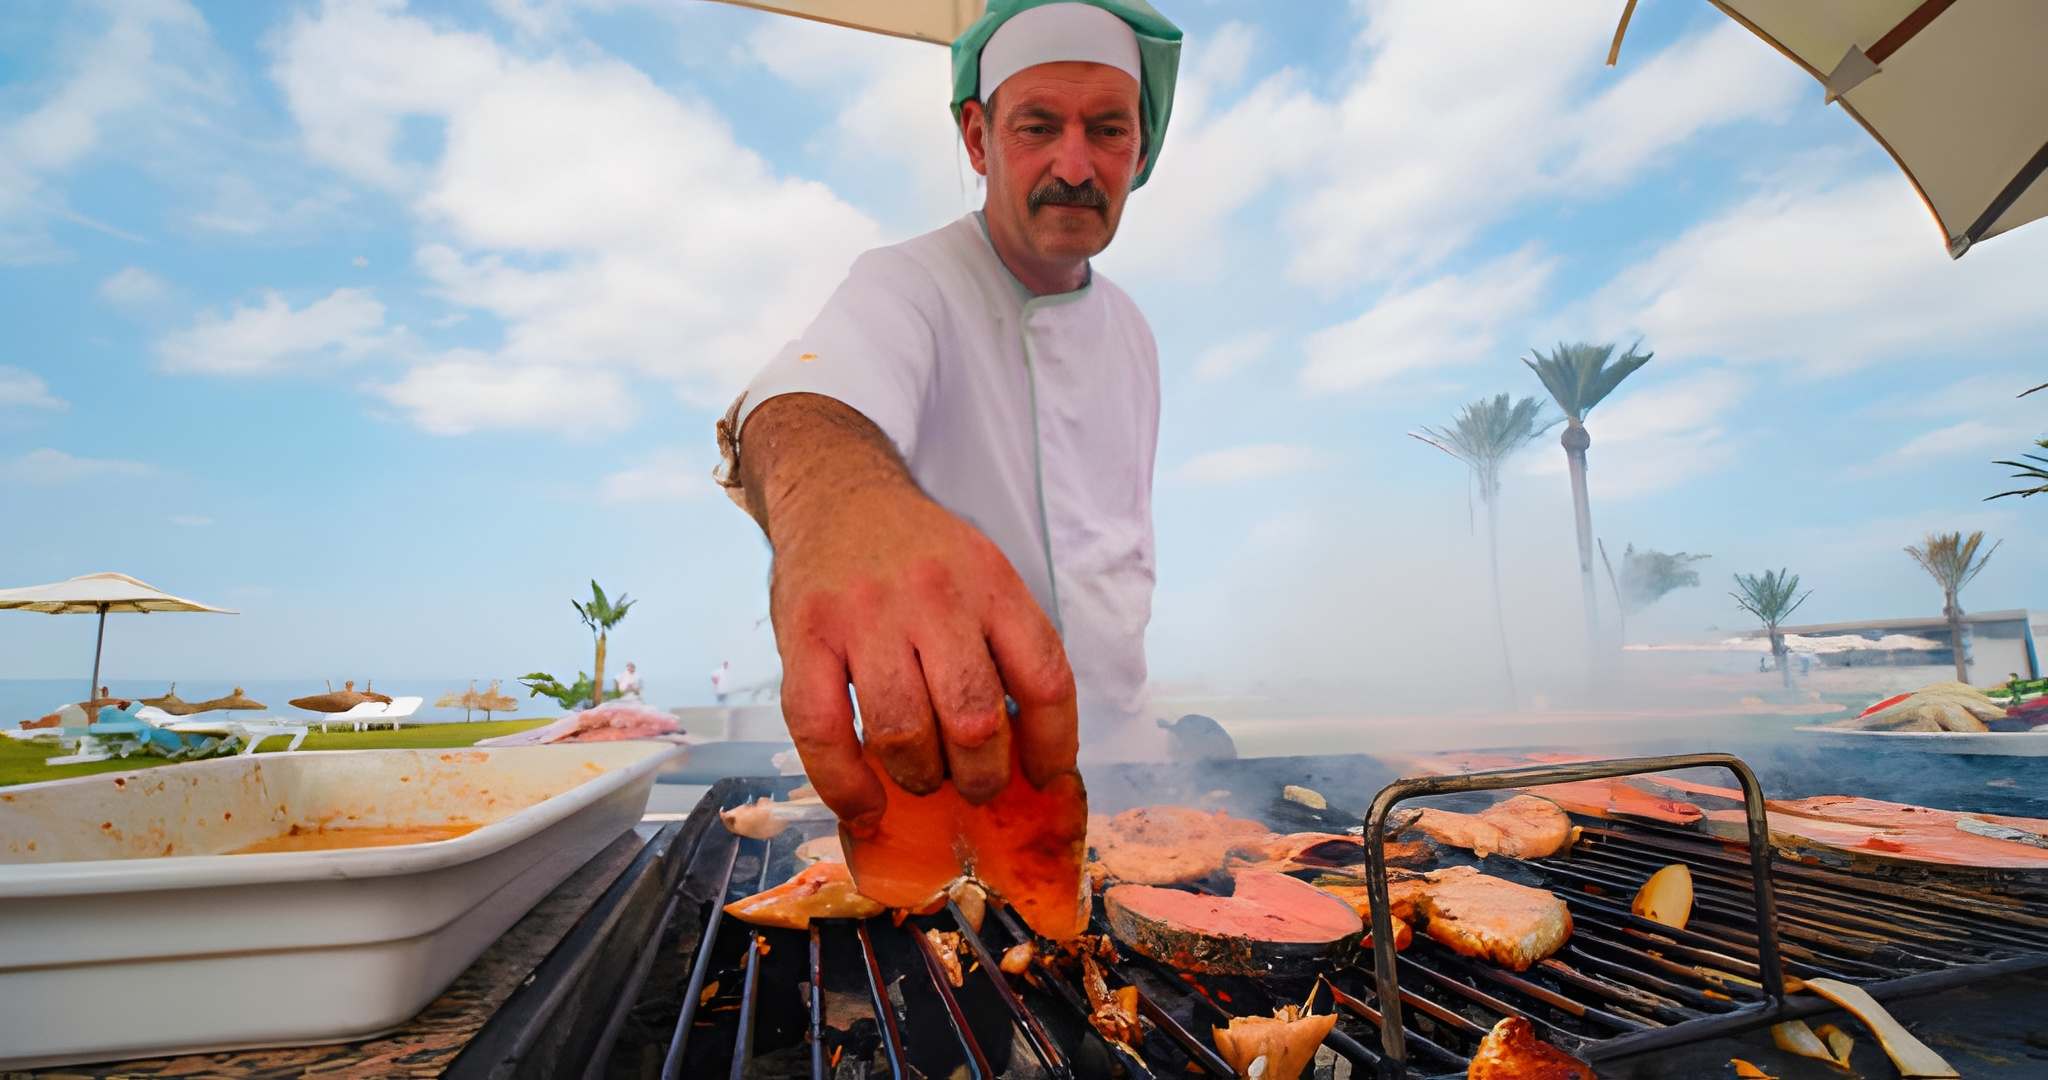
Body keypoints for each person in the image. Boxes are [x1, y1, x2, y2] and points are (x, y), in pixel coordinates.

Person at [715, 0, 1182, 836]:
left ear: (1139, 148)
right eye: (1038, 126)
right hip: (954, 784)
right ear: (977, 138)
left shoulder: (1138, 333)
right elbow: (805, 397)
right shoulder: (910, 283)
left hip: (1124, 776)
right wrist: (846, 509)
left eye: (1108, 129)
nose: (1075, 164)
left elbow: (1116, 561)